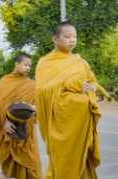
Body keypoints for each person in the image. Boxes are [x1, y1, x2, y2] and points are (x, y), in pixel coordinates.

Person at [35, 21, 102, 179]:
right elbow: (42, 92)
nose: (72, 40)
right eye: (67, 36)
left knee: (82, 159)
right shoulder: (45, 63)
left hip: (81, 123)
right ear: (55, 39)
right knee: (62, 162)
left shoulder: (81, 62)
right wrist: (75, 85)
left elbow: (92, 81)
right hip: (60, 124)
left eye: (74, 36)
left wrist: (92, 87)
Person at [0, 54, 42, 179]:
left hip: (25, 128)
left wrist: (34, 109)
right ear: (16, 64)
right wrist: (5, 122)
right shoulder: (5, 81)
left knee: (31, 163)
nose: (28, 68)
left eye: (30, 66)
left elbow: (38, 105)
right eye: (25, 65)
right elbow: (0, 105)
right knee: (9, 161)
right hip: (7, 128)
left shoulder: (31, 84)